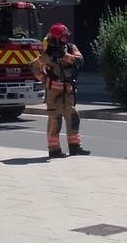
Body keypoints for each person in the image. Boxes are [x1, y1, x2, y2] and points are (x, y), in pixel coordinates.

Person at [33, 23, 89, 158]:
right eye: (63, 37)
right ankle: (54, 150)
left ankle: (75, 147)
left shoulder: (70, 48)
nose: (66, 39)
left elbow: (80, 60)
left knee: (73, 117)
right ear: (56, 38)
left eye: (66, 36)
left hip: (68, 90)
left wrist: (65, 56)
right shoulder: (47, 54)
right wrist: (44, 80)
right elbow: (34, 66)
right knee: (55, 120)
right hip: (53, 92)